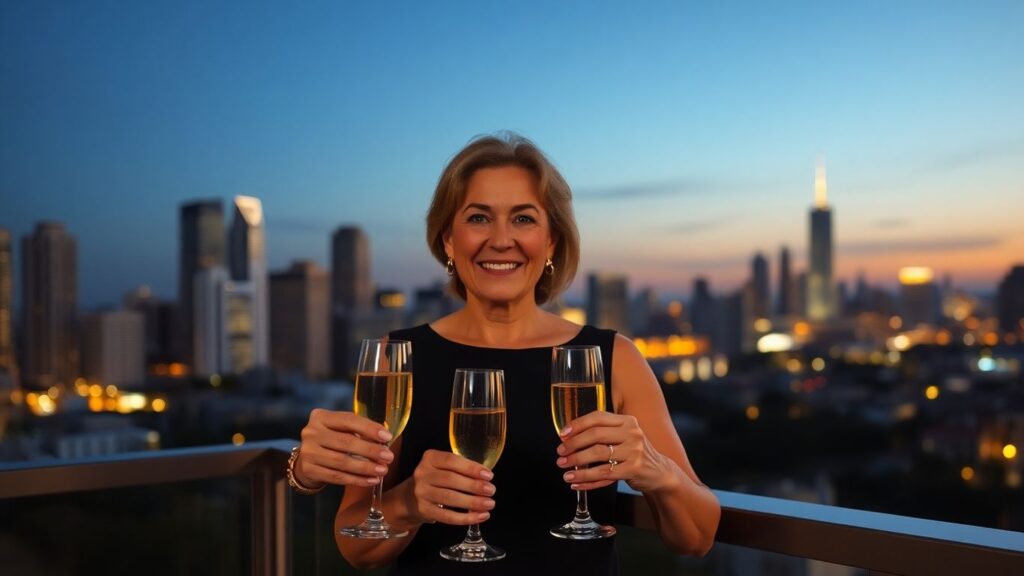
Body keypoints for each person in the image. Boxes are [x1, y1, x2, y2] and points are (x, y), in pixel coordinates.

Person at [291, 133, 720, 574]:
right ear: (448, 241)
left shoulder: (615, 358)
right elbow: (356, 547)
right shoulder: (397, 358)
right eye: (478, 218)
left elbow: (697, 537)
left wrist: (657, 471)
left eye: (523, 219)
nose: (501, 240)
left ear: (551, 242)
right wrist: (407, 503)